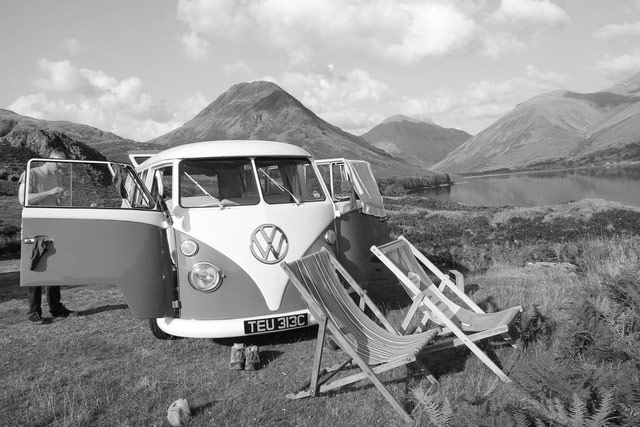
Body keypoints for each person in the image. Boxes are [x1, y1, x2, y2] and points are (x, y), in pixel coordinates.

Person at [18, 148, 77, 324]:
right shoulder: (31, 174)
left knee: (53, 267)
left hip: (53, 226)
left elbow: (55, 204)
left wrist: (63, 200)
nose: (63, 169)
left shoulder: (56, 177)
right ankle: (34, 312)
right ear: (52, 160)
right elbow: (24, 200)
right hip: (34, 227)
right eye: (62, 165)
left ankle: (56, 308)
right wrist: (50, 192)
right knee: (35, 266)